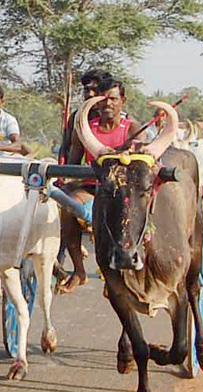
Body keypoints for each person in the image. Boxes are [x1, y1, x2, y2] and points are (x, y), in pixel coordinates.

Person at [58, 78, 143, 294]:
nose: (108, 104)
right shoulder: (85, 129)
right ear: (96, 101)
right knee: (66, 206)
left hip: (123, 191)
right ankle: (79, 270)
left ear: (122, 101)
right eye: (103, 99)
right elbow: (72, 166)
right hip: (93, 187)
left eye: (113, 99)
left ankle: (117, 273)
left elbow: (139, 165)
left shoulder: (132, 128)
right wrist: (63, 185)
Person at [58, 69, 112, 164]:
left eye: (95, 90)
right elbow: (66, 148)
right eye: (87, 90)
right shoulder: (76, 117)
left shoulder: (123, 120)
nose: (90, 94)